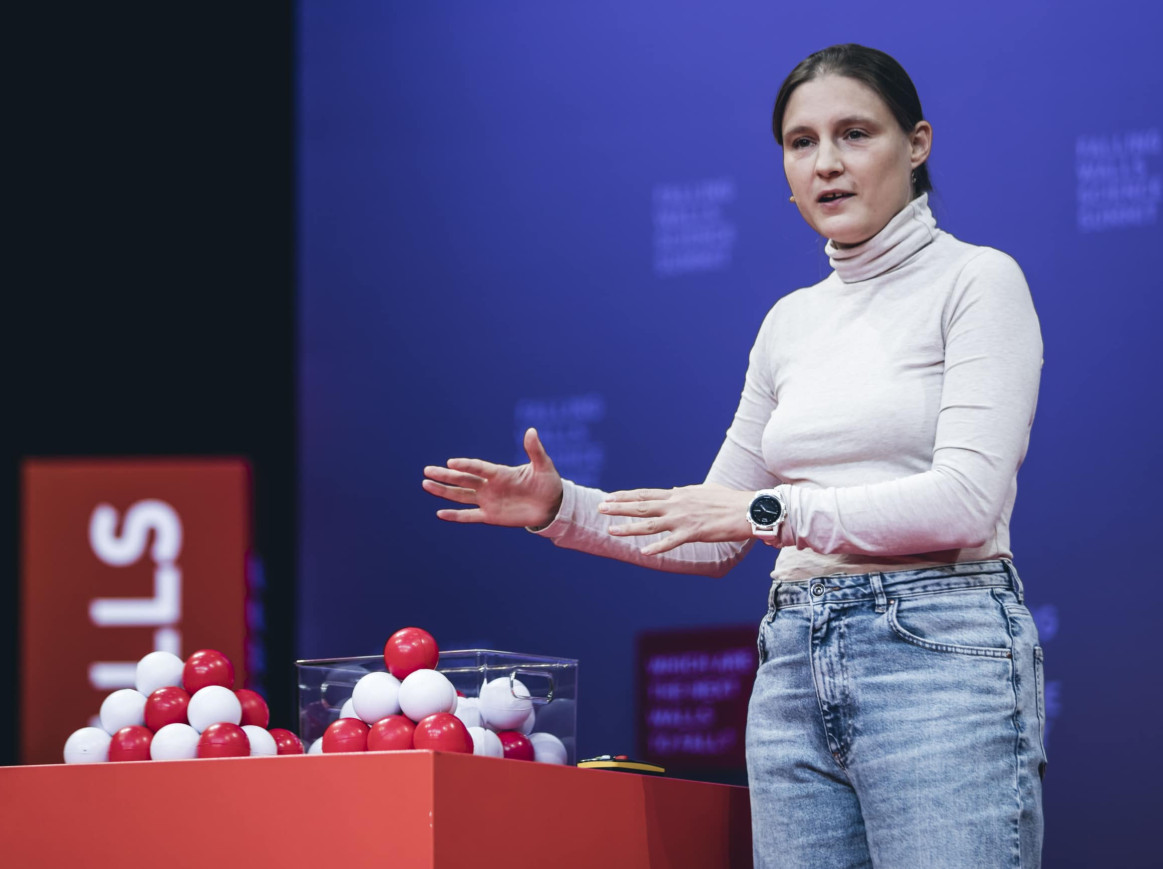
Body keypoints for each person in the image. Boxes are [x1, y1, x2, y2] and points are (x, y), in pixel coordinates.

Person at [422, 43, 1045, 869]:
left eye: (854, 134)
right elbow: (713, 531)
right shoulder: (789, 322)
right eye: (801, 143)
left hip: (937, 653)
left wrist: (770, 512)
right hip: (791, 662)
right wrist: (559, 507)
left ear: (917, 143)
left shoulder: (977, 281)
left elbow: (965, 499)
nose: (826, 163)